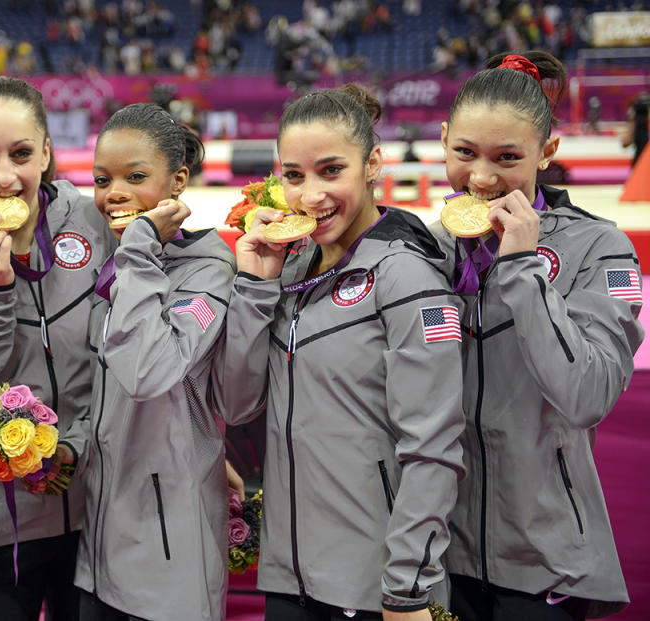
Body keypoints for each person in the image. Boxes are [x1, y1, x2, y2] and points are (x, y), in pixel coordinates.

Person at [212, 85, 466, 621]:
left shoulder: (406, 275)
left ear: (373, 162)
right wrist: (255, 287)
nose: (310, 196)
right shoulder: (288, 268)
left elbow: (434, 448)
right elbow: (236, 407)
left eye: (331, 171)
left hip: (374, 587)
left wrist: (407, 586)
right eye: (294, 175)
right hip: (289, 578)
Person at [433, 51, 644, 620]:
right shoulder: (424, 248)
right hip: (435, 555)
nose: (481, 177)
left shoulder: (600, 249)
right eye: (465, 153)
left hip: (545, 558)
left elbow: (587, 396)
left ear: (547, 152)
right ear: (443, 137)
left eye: (507, 157)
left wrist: (523, 268)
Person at [0, 75, 113, 621]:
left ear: (48, 152)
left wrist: (75, 446)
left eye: (22, 154)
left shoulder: (93, 222)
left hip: (98, 511)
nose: (5, 177)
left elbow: (120, 361)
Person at [73, 102, 236, 621]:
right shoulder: (116, 261)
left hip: (170, 552)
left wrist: (140, 248)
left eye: (135, 177)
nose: (113, 192)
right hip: (100, 545)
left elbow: (148, 373)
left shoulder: (209, 271)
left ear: (178, 181)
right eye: (102, 178)